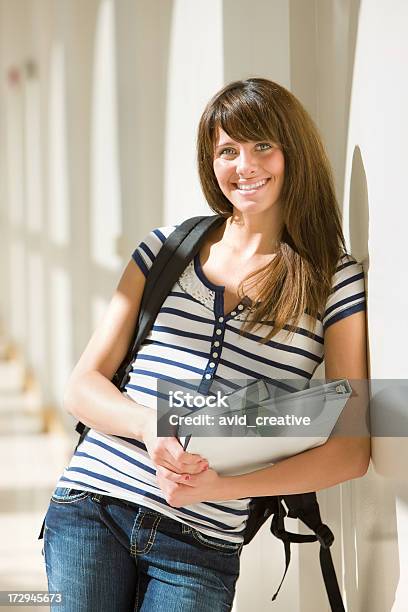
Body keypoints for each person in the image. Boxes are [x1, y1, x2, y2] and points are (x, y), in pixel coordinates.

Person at [41, 78, 370, 611]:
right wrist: (151, 426)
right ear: (209, 162)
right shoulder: (163, 249)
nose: (246, 165)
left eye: (263, 145)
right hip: (93, 504)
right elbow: (82, 385)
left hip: (201, 542)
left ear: (295, 151)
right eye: (227, 150)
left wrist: (216, 489)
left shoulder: (333, 278)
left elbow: (353, 450)